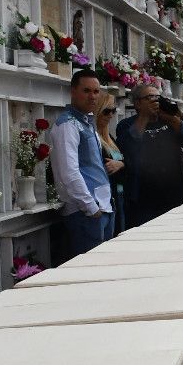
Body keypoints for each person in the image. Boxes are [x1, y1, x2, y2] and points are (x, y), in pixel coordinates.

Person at [49, 69, 114, 256]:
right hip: (85, 211)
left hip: (102, 206)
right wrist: (90, 207)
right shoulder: (68, 124)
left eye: (96, 91)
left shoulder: (86, 122)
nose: (93, 97)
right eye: (86, 91)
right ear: (73, 92)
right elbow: (68, 171)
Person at [116, 84, 183, 227]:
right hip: (143, 200)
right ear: (137, 103)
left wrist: (171, 118)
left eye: (157, 97)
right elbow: (128, 148)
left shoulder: (170, 121)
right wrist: (144, 117)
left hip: (176, 194)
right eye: (150, 98)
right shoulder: (126, 125)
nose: (155, 101)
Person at [94, 92, 126, 235]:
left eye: (113, 111)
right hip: (107, 195)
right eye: (107, 111)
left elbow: (122, 160)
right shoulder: (95, 138)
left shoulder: (109, 138)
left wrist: (122, 164)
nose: (111, 115)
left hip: (118, 194)